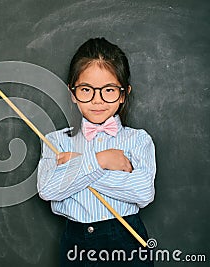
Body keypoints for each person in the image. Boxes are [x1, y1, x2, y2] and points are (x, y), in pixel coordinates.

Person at [37, 37, 156, 266]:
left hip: (127, 240)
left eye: (109, 90)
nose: (97, 100)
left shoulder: (137, 140)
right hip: (76, 244)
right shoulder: (57, 141)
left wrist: (76, 167)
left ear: (123, 93)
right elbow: (48, 190)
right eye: (86, 90)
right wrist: (100, 160)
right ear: (72, 92)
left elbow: (143, 192)